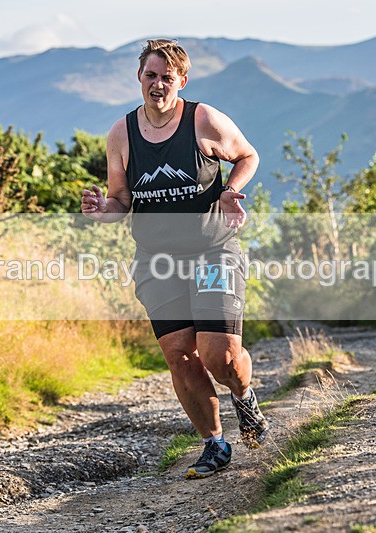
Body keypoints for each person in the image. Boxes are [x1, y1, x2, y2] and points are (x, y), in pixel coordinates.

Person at [81, 39, 269, 479]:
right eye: (151, 76)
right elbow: (120, 199)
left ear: (182, 81)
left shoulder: (202, 119)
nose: (158, 84)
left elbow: (247, 154)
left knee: (219, 355)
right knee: (180, 354)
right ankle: (214, 445)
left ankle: (245, 399)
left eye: (168, 77)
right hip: (156, 260)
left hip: (213, 250)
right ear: (139, 79)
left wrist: (229, 191)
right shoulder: (121, 133)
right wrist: (102, 210)